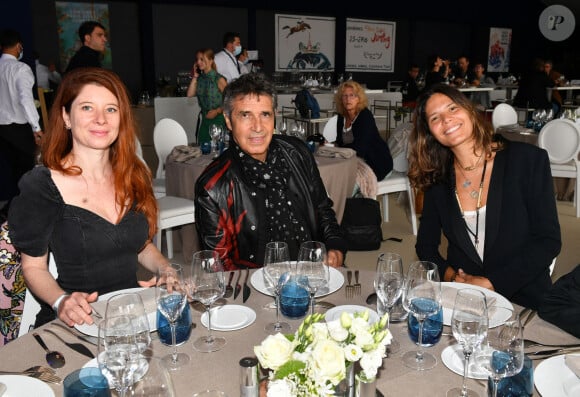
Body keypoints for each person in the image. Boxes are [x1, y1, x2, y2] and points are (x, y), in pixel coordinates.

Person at [8, 67, 168, 328]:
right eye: (86, 108)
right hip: (75, 322)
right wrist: (61, 301)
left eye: (111, 109)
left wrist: (166, 268)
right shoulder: (42, 186)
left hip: (130, 316)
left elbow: (140, 245)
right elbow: (34, 268)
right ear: (66, 117)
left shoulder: (134, 175)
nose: (101, 119)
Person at [408, 83, 561, 310]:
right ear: (430, 132)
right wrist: (453, 279)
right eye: (435, 118)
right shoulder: (437, 180)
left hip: (523, 299)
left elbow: (548, 241)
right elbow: (426, 246)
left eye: (452, 109)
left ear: (469, 110)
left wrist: (492, 283)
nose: (446, 120)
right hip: (463, 300)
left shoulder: (527, 161)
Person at [194, 73, 347, 270]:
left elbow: (323, 210)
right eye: (245, 115)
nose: (257, 127)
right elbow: (219, 269)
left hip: (315, 271)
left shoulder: (298, 153)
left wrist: (335, 247)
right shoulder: (213, 186)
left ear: (274, 116)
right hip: (254, 286)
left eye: (265, 114)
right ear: (229, 121)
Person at [0, 29, 43, 216]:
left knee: (16, 172)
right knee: (26, 173)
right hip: (18, 129)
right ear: (19, 46)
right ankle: (17, 213)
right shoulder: (20, 69)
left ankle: (14, 211)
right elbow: (26, 99)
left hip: (1, 130)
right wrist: (37, 127)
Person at [331, 80, 393, 181]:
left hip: (377, 164)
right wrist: (331, 145)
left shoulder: (365, 116)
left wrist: (338, 150)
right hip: (354, 162)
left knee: (344, 181)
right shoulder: (341, 117)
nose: (348, 99)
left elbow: (360, 148)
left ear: (359, 98)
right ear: (340, 99)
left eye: (352, 95)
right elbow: (340, 142)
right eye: (344, 96)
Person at [186, 48, 227, 145]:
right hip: (205, 119)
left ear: (211, 60)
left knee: (216, 150)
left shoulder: (219, 79)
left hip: (218, 119)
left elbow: (230, 100)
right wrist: (195, 76)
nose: (199, 62)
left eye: (202, 59)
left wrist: (217, 111)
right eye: (197, 59)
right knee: (203, 147)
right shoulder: (200, 78)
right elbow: (189, 94)